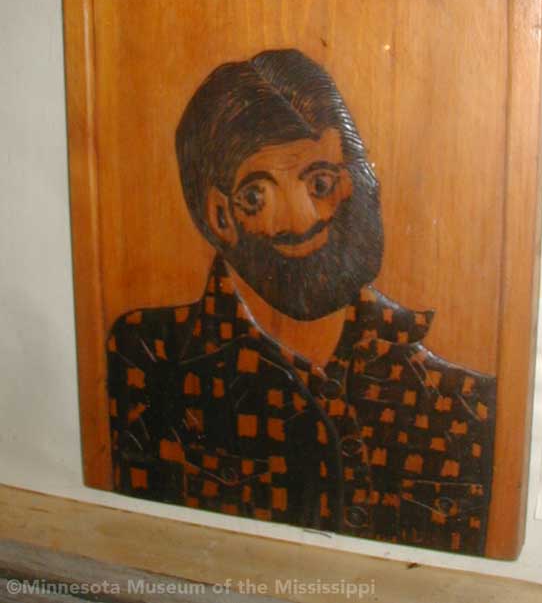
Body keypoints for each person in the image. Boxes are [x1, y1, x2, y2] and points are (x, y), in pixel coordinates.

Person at [107, 49, 495, 555]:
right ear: (219, 216)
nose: (301, 219)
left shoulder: (462, 403)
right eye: (257, 196)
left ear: (358, 180)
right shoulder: (152, 361)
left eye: (320, 183)